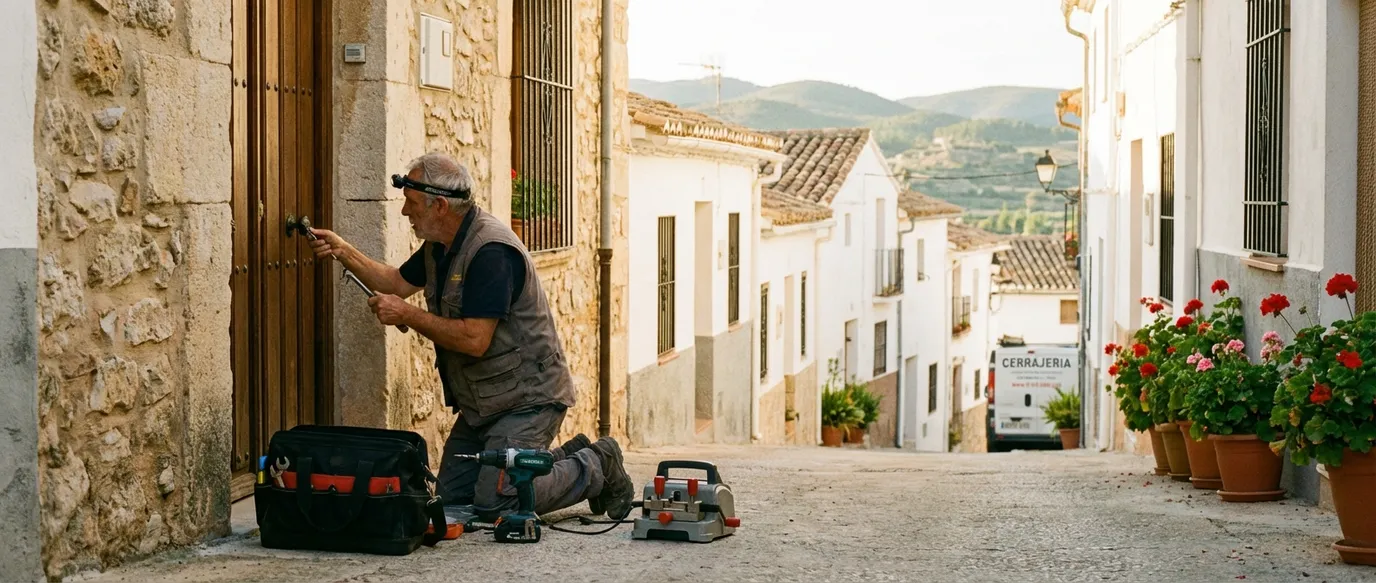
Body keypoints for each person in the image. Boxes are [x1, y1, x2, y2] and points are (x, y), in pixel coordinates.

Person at [307, 151, 633, 522]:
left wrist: (407, 314)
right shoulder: (440, 245)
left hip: (527, 399)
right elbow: (394, 283)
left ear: (440, 206)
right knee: (452, 504)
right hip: (484, 406)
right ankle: (560, 458)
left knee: (499, 503)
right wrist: (341, 249)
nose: (404, 213)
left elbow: (475, 339)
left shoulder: (490, 253)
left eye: (411, 204)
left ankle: (597, 464)